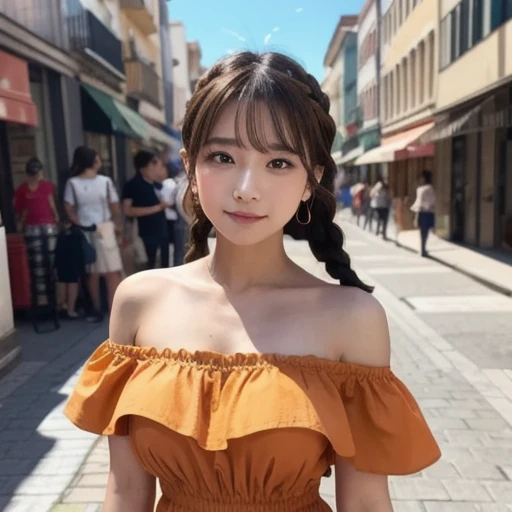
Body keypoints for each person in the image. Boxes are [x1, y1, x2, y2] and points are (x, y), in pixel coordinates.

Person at [65, 51, 440, 511]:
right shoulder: (139, 301)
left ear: (311, 180)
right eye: (222, 156)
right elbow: (124, 490)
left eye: (279, 163)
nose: (246, 186)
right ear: (190, 167)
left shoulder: (352, 318)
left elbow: (363, 501)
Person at [64, 146, 123, 322]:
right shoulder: (105, 181)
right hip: (105, 227)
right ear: (92, 161)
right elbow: (114, 205)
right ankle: (114, 310)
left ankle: (96, 308)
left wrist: (78, 222)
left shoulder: (72, 183)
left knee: (92, 273)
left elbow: (68, 207)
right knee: (112, 272)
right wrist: (117, 225)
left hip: (85, 229)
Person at [13, 157, 61, 314]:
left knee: (39, 266)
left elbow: (20, 210)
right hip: (44, 228)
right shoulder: (42, 187)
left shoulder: (26, 189)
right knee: (45, 265)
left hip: (37, 229)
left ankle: (46, 301)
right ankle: (48, 302)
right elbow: (52, 206)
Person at [122, 150, 170, 270]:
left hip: (162, 228)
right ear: (145, 167)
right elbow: (128, 210)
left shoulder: (157, 184)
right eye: (153, 165)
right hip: (146, 231)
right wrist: (157, 208)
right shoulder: (132, 185)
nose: (155, 168)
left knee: (165, 263)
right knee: (149, 264)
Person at [411, 170, 436, 257]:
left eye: (421, 178)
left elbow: (419, 202)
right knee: (425, 232)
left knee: (423, 231)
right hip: (428, 212)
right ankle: (423, 249)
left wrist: (416, 213)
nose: (420, 179)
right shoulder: (430, 188)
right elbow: (432, 201)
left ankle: (422, 249)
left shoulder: (421, 189)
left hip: (422, 211)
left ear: (424, 178)